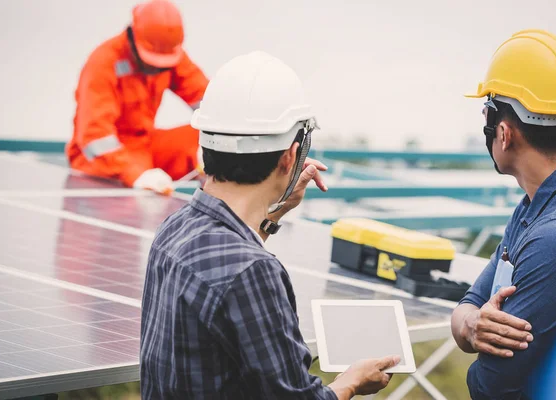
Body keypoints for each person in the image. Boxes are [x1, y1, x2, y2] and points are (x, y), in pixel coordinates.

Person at [140, 51, 400, 399]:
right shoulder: (253, 272)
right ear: (291, 156)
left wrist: (274, 214)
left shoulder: (173, 229)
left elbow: (227, 249)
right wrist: (350, 382)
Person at [451, 29, 556, 399]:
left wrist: (469, 329)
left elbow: (489, 384)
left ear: (504, 133)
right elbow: (469, 305)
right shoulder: (535, 207)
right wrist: (474, 325)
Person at [66, 0, 209, 195]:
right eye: (152, 62)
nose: (157, 68)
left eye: (163, 66)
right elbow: (95, 136)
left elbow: (206, 98)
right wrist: (134, 173)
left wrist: (212, 143)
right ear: (133, 37)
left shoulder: (169, 54)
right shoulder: (103, 61)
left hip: (145, 145)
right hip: (104, 159)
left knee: (200, 137)